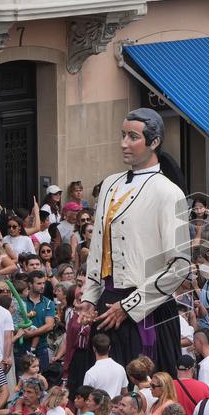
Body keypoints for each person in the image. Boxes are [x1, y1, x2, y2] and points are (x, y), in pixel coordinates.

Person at [78, 108, 192, 373]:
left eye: (132, 137)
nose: (123, 144)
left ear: (154, 142)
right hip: (107, 304)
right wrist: (89, 298)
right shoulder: (109, 184)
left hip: (147, 309)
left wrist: (129, 307)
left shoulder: (168, 192)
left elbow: (179, 265)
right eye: (122, 135)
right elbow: (98, 248)